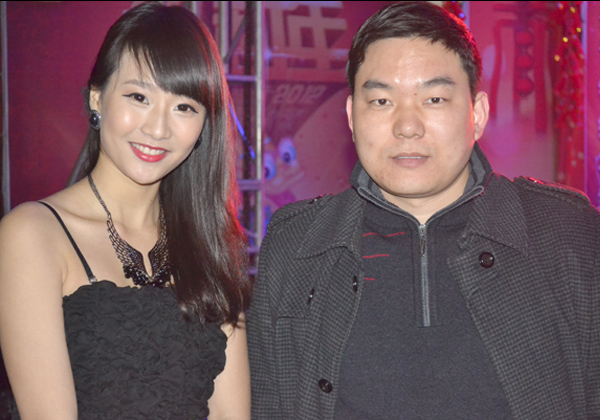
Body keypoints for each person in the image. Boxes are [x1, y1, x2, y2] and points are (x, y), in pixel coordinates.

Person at [247, 2, 600, 419]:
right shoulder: (296, 246)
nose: (407, 126)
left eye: (434, 98)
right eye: (381, 101)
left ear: (477, 114)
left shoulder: (568, 236)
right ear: (352, 116)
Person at [0, 3, 251, 419]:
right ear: (97, 97)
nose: (158, 128)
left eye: (184, 107)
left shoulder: (211, 242)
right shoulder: (32, 235)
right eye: (139, 97)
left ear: (204, 126)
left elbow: (231, 414)